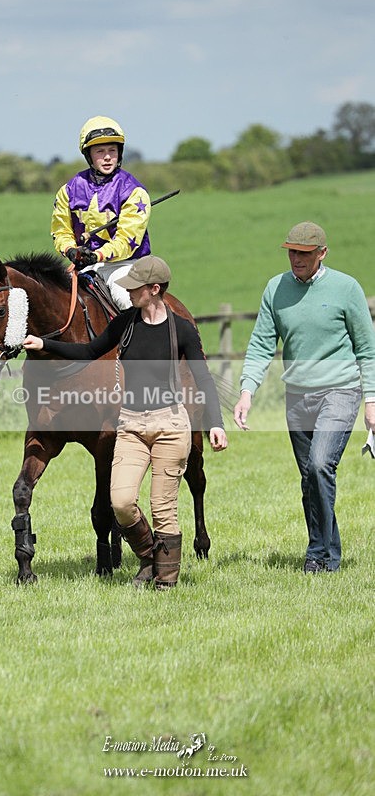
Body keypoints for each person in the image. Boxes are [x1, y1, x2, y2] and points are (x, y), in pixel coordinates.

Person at [23, 255, 228, 589]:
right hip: (131, 424)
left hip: (170, 424)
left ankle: (165, 581)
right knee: (121, 502)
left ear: (155, 289)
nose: (129, 292)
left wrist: (215, 423)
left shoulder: (183, 330)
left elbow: (203, 379)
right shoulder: (125, 324)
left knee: (163, 510)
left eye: (135, 288)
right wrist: (44, 343)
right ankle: (149, 557)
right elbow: (89, 351)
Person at [233, 221, 375, 574]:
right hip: (297, 396)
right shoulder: (275, 289)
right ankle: (322, 552)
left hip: (340, 391)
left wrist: (371, 400)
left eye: (304, 253)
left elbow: (367, 349)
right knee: (309, 478)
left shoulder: (346, 288)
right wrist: (246, 391)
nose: (296, 258)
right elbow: (262, 343)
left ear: (322, 253)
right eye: (292, 252)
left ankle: (322, 554)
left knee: (320, 464)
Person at [50, 115, 151, 310]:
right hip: (83, 267)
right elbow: (61, 231)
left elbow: (127, 240)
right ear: (89, 155)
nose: (107, 157)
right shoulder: (68, 190)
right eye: (100, 151)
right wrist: (71, 250)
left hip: (124, 266)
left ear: (119, 153)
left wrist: (97, 256)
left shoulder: (134, 191)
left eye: (112, 150)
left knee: (127, 302)